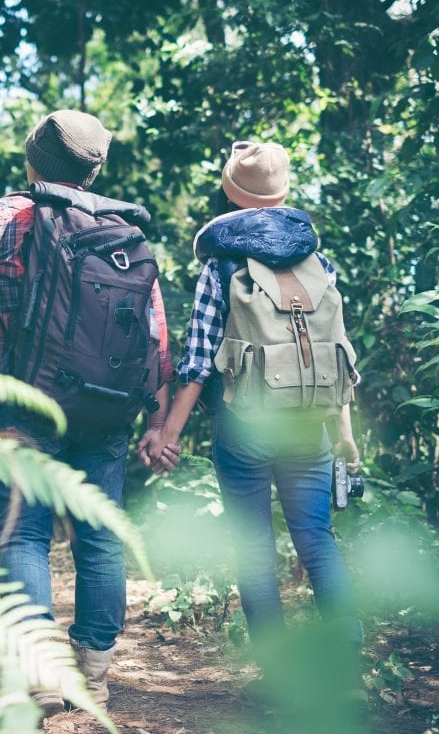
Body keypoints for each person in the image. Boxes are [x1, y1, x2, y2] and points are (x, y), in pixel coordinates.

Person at [0, 109, 178, 717]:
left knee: (24, 535)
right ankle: (93, 675)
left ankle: (40, 675)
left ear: (32, 160)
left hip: (24, 400)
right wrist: (157, 419)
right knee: (100, 538)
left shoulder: (3, 217)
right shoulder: (128, 230)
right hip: (108, 410)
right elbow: (156, 336)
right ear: (95, 169)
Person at [139, 139, 363, 666]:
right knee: (316, 539)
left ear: (232, 196)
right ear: (284, 191)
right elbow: (337, 354)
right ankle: (349, 657)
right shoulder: (319, 264)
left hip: (245, 424)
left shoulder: (222, 264)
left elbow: (196, 360)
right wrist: (346, 434)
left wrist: (166, 434)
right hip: (311, 423)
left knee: (255, 549)